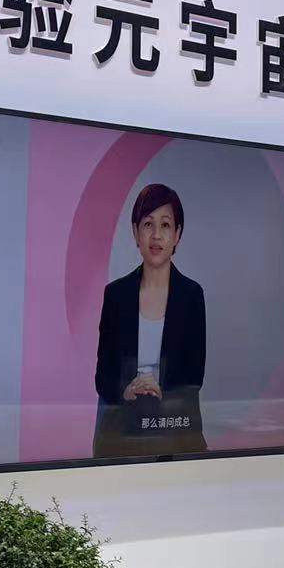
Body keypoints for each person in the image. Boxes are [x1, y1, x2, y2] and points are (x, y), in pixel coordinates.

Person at [93, 183, 206, 459]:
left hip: (173, 422)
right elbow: (103, 376)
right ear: (135, 232)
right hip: (122, 423)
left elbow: (194, 376)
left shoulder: (192, 295)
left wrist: (160, 390)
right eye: (147, 224)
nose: (156, 235)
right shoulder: (116, 295)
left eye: (165, 225)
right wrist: (127, 390)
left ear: (177, 234)